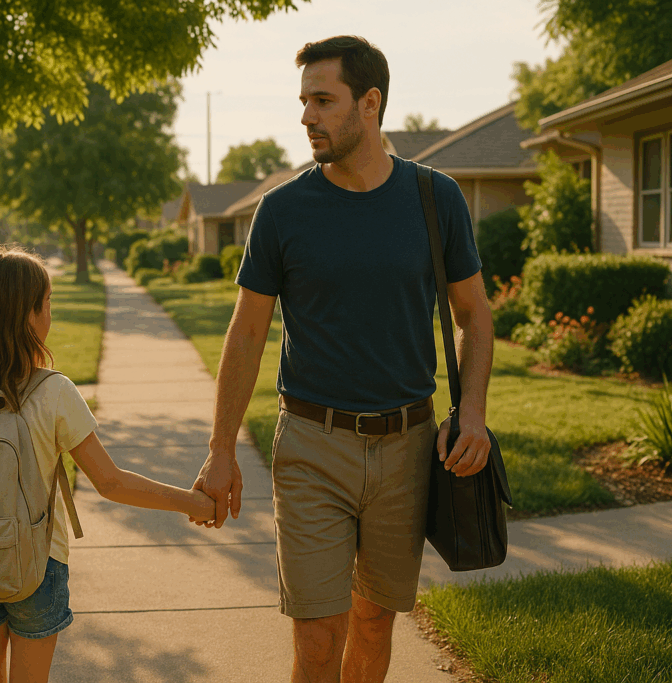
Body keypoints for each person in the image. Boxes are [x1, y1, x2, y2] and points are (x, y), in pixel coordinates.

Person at [191, 35, 494, 682]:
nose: (307, 117)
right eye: (304, 101)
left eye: (324, 100)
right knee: (320, 638)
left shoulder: (435, 199)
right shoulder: (283, 210)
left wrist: (471, 412)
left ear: (370, 103)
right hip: (311, 446)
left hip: (407, 445)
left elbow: (475, 313)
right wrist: (220, 447)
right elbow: (246, 334)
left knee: (374, 621)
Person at [0, 245, 215, 683]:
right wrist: (194, 503)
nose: (51, 313)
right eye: (47, 303)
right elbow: (110, 482)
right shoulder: (52, 393)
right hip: (37, 566)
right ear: (28, 316)